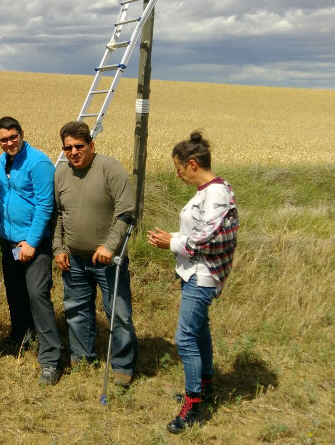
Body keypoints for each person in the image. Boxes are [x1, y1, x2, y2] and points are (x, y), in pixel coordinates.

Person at [147, 132, 238, 434]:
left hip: (203, 275)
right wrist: (172, 238)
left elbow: (206, 239)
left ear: (193, 164)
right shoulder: (211, 190)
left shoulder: (216, 195)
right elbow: (199, 232)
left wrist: (170, 243)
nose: (177, 174)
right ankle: (206, 386)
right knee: (199, 331)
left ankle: (193, 405)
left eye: (178, 168)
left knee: (185, 338)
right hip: (196, 272)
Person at [52, 121, 138, 386]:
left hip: (107, 260)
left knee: (118, 312)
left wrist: (109, 247)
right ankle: (82, 356)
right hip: (73, 259)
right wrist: (58, 248)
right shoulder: (61, 173)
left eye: (79, 146)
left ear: (91, 145)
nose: (74, 152)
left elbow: (126, 213)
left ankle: (122, 365)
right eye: (68, 147)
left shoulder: (109, 168)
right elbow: (57, 214)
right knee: (76, 309)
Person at [0, 116, 62, 385]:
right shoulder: (1, 162)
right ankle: (21, 335)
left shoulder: (39, 162)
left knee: (37, 294)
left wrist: (31, 243)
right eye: (3, 139)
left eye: (13, 137)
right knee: (15, 291)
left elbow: (46, 206)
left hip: (35, 243)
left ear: (21, 134)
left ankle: (50, 358)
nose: (9, 142)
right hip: (8, 240)